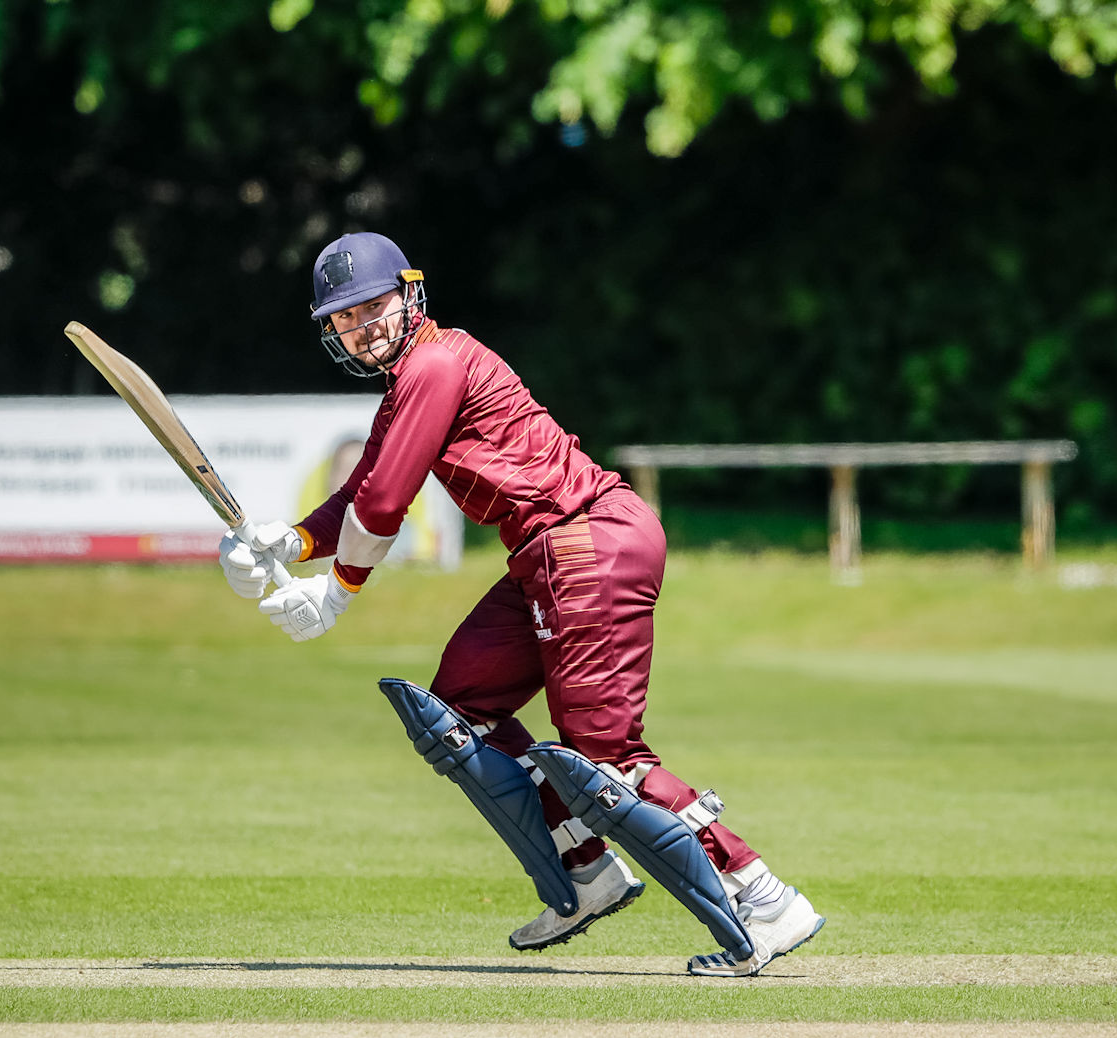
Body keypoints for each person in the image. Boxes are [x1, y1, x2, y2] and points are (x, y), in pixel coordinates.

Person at [218, 232, 823, 976]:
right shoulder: (415, 377)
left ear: (410, 295)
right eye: (345, 317)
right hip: (549, 552)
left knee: (606, 757)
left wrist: (338, 591)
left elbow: (381, 504)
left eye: (374, 305)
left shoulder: (434, 364)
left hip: (585, 540)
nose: (364, 325)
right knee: (459, 708)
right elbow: (355, 493)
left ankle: (763, 896)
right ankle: (586, 869)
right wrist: (287, 543)